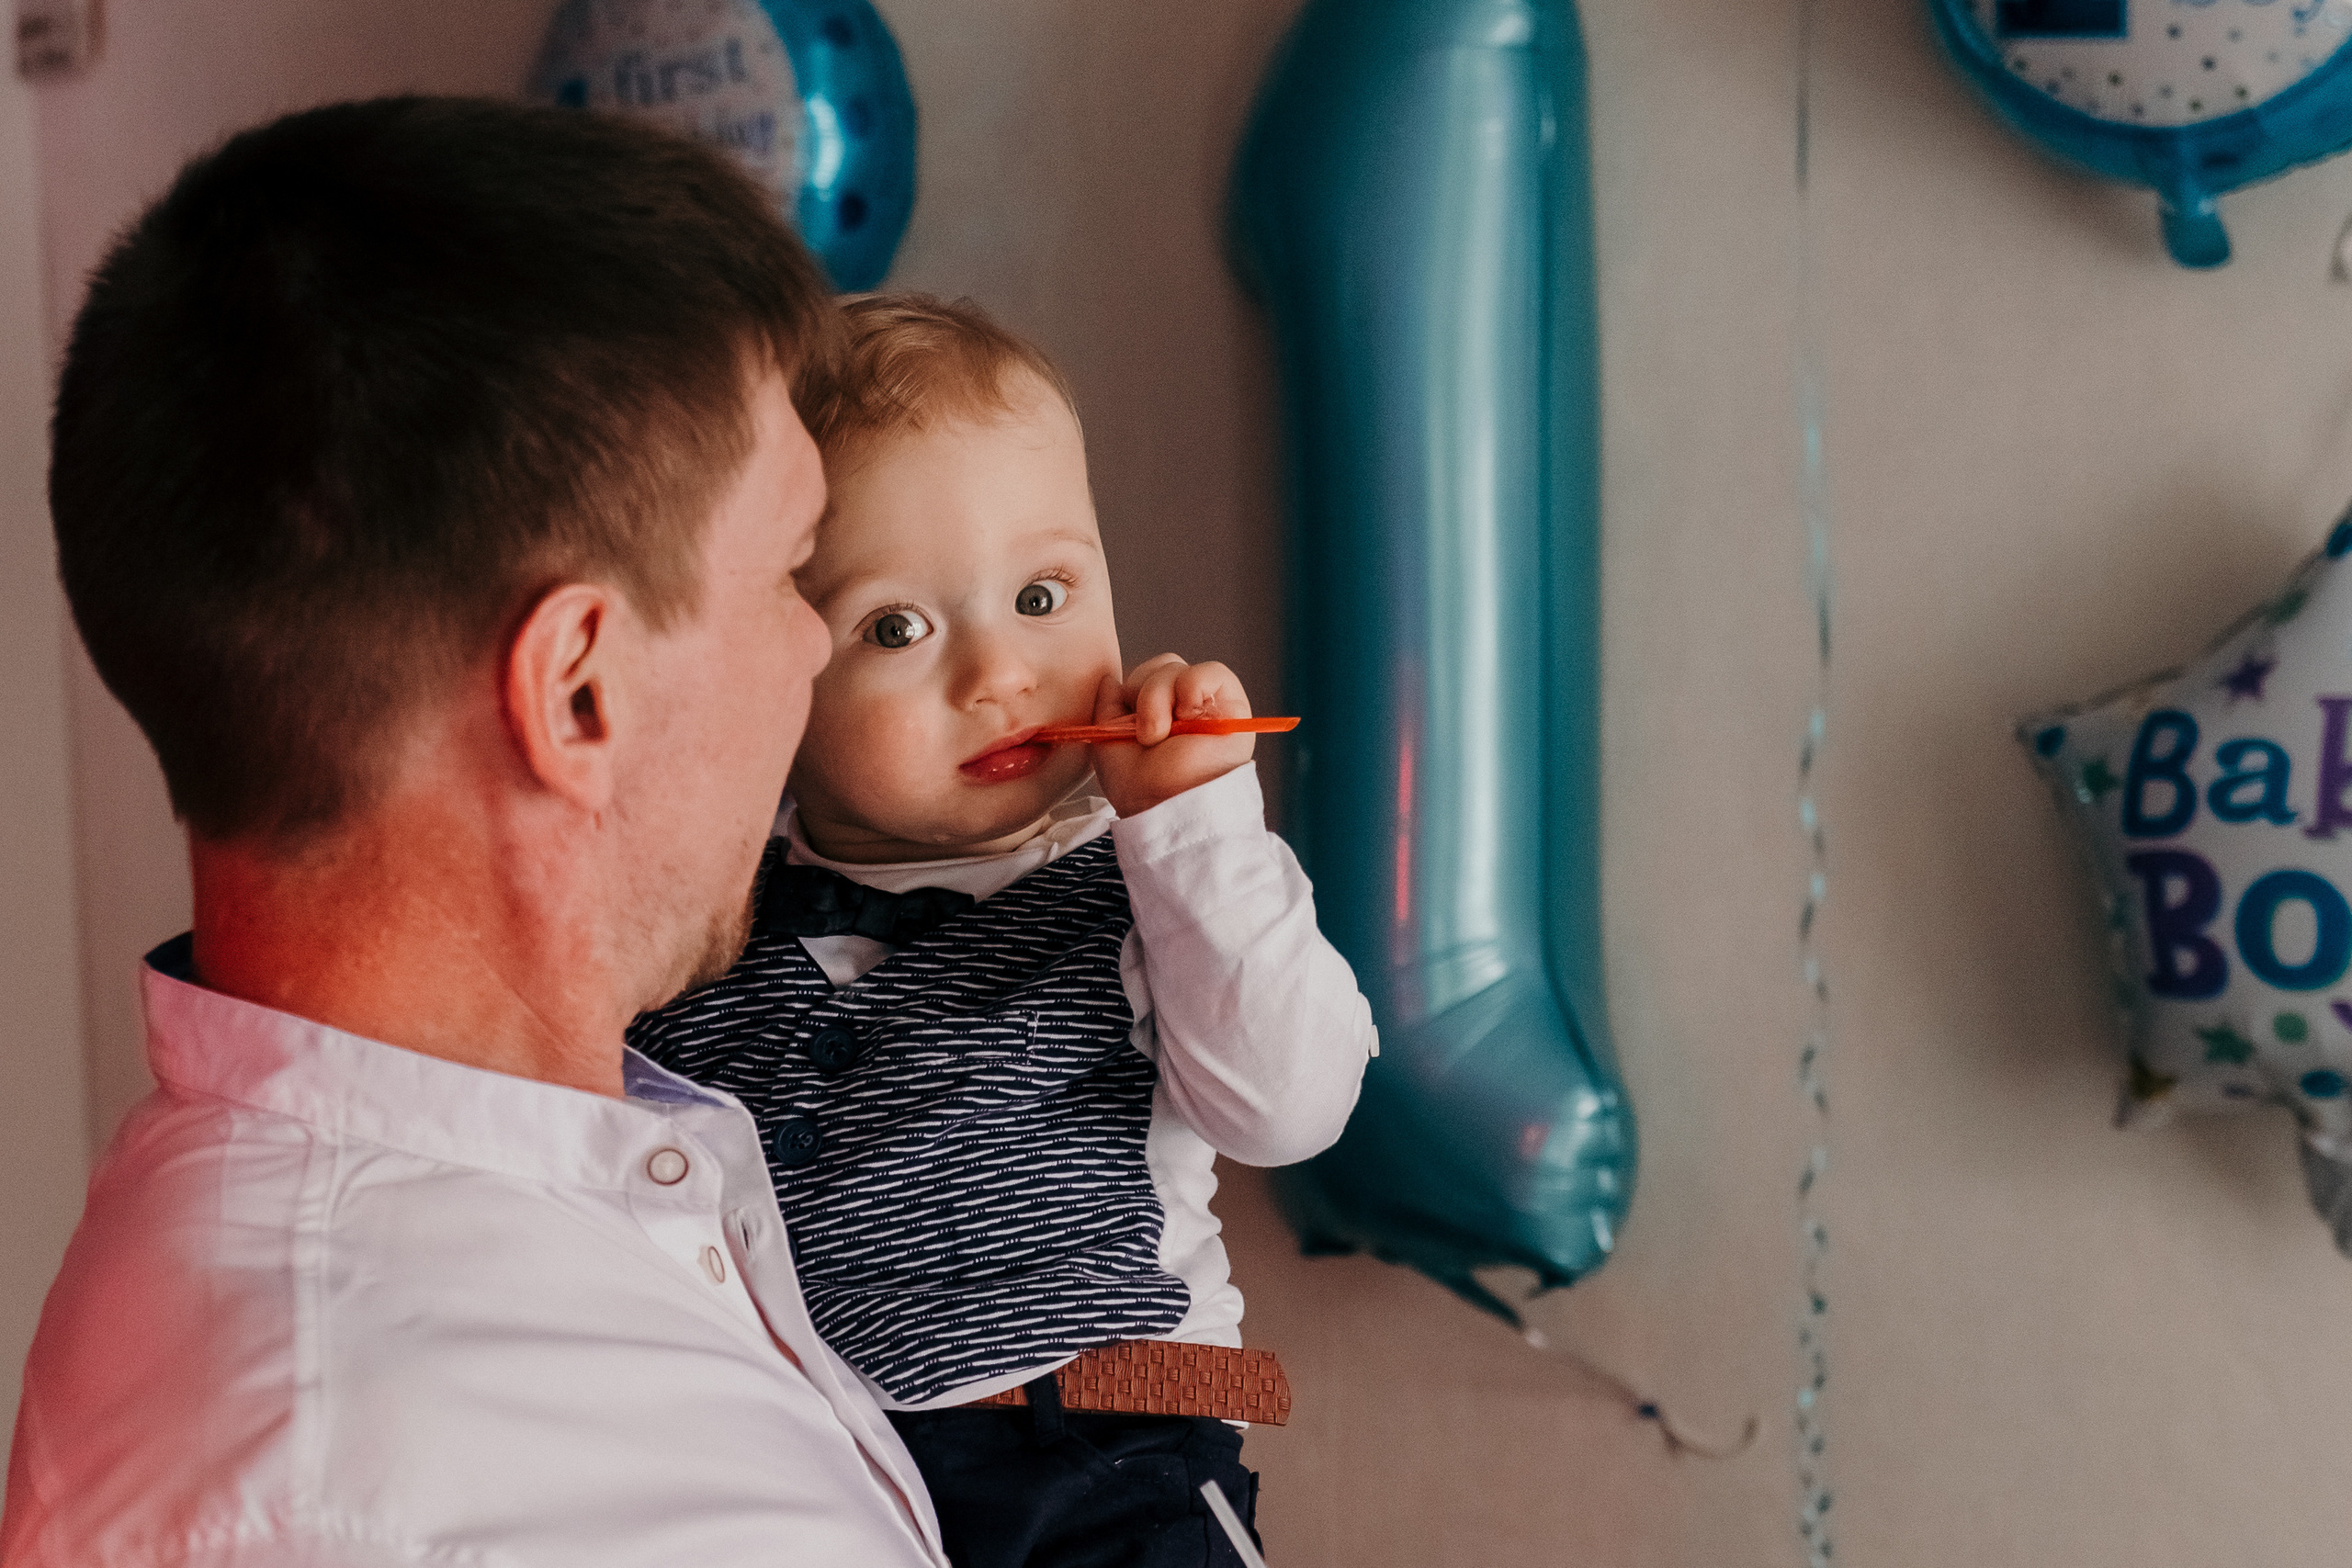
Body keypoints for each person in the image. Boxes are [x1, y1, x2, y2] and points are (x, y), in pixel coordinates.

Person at [2, 98, 945, 1567]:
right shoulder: (352, 1492)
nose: (813, 652)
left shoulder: (489, 1268)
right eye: (791, 571)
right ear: (578, 691)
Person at [628, 294, 1378, 1568]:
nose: (998, 674)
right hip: (818, 1479)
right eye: (897, 628)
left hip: (1112, 1454)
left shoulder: (1160, 882)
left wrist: (1196, 830)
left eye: (1043, 593)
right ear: (765, 673)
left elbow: (1292, 1109)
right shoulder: (707, 917)